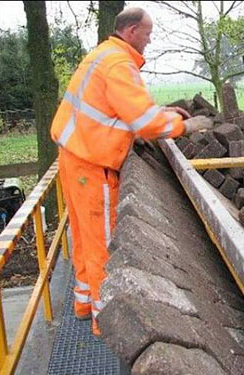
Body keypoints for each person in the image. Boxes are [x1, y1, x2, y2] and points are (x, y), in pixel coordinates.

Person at [50, 7, 211, 335]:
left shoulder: (104, 55)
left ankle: (83, 303)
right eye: (148, 34)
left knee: (82, 235)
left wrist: (161, 110)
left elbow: (120, 109)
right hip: (94, 163)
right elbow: (144, 124)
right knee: (104, 244)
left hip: (75, 156)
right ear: (132, 30)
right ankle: (105, 321)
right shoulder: (119, 64)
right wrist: (186, 124)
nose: (150, 40)